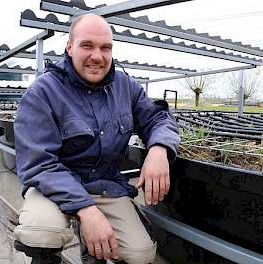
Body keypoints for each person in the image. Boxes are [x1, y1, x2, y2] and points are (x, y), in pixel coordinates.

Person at [13, 13, 180, 264]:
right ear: (69, 47)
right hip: (55, 185)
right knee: (42, 231)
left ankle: (93, 250)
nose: (97, 56)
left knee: (140, 253)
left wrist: (159, 149)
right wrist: (87, 210)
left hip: (104, 185)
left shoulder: (125, 86)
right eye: (87, 45)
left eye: (106, 48)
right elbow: (39, 164)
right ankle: (47, 257)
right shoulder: (43, 92)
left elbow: (158, 118)